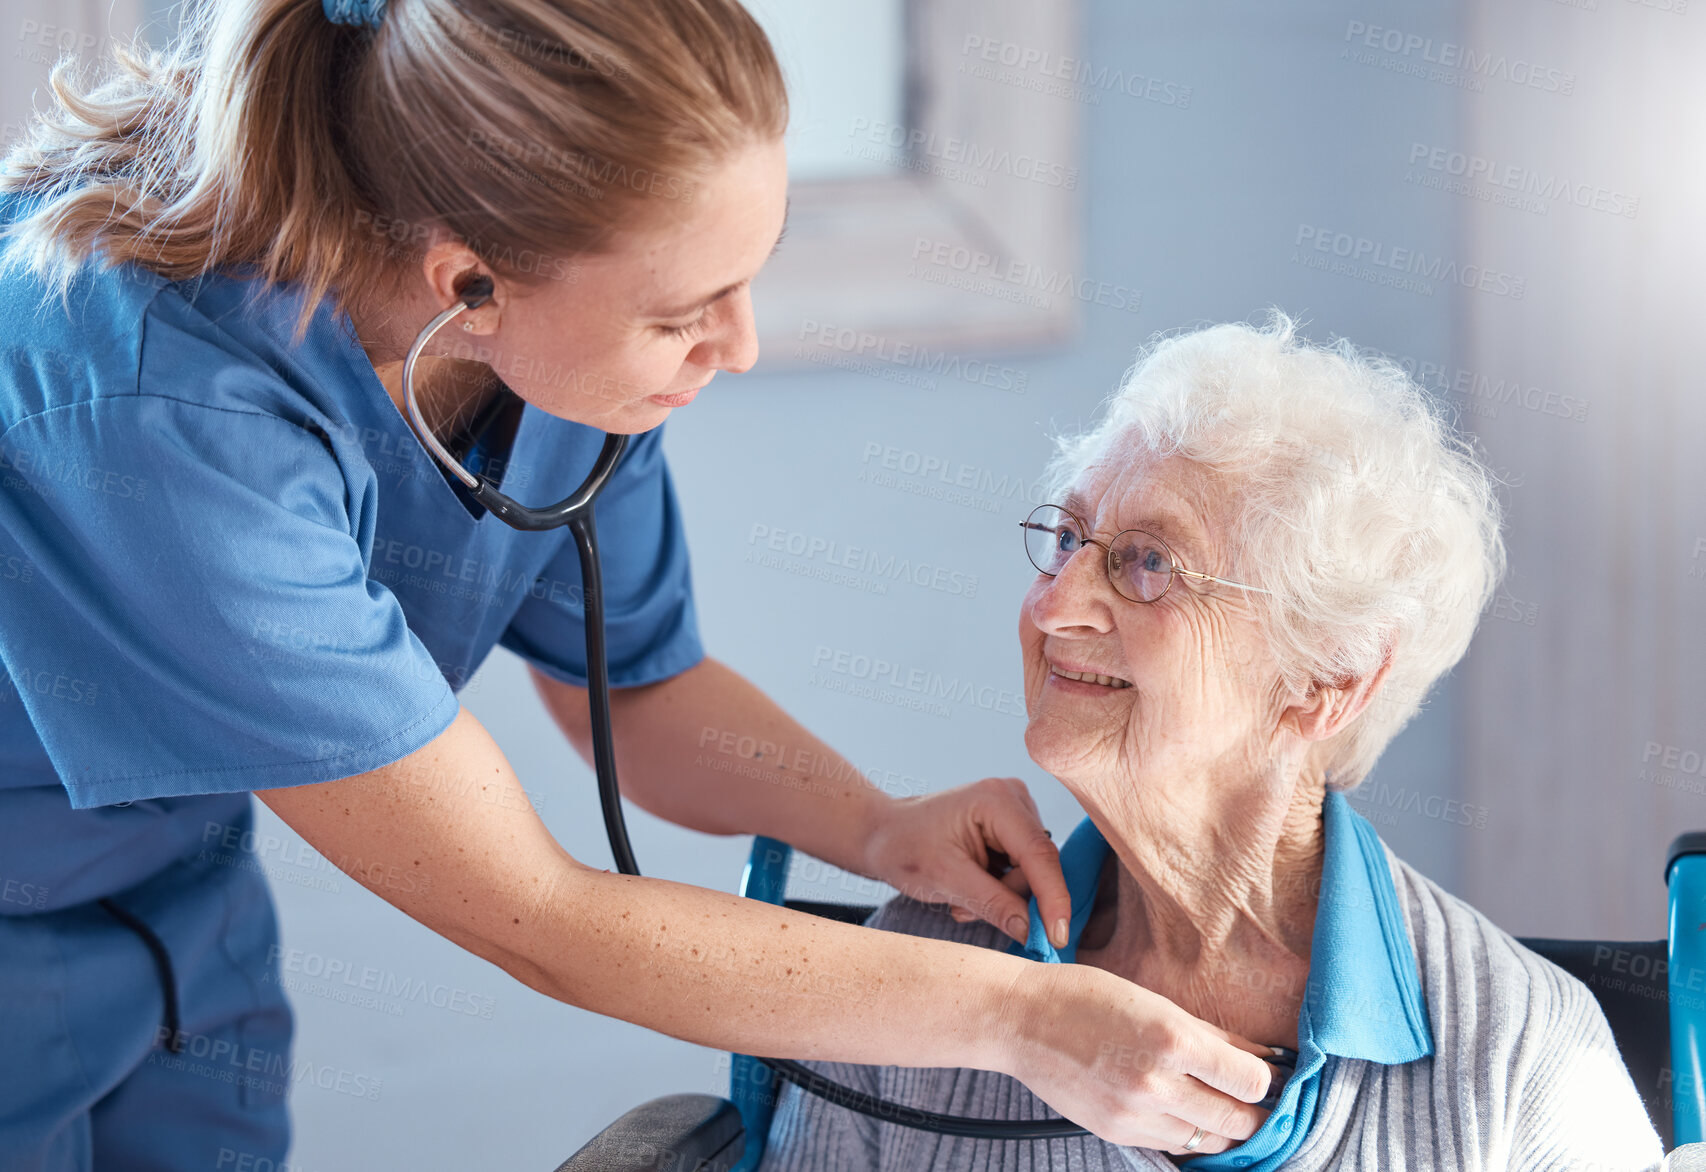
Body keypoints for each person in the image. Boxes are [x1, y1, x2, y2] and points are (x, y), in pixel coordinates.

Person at [0, 0, 1282, 1167]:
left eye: (746, 279)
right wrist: (1026, 1023)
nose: (737, 347)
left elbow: (643, 692)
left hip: (173, 904)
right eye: (684, 313)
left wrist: (878, 826)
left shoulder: (547, 357)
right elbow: (535, 914)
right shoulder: (163, 424)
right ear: (470, 286)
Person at [756, 316, 1665, 1170]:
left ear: (1329, 677)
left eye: (1148, 562)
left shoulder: (1521, 1060)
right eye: (1068, 538)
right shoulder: (929, 961)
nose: (1054, 605)